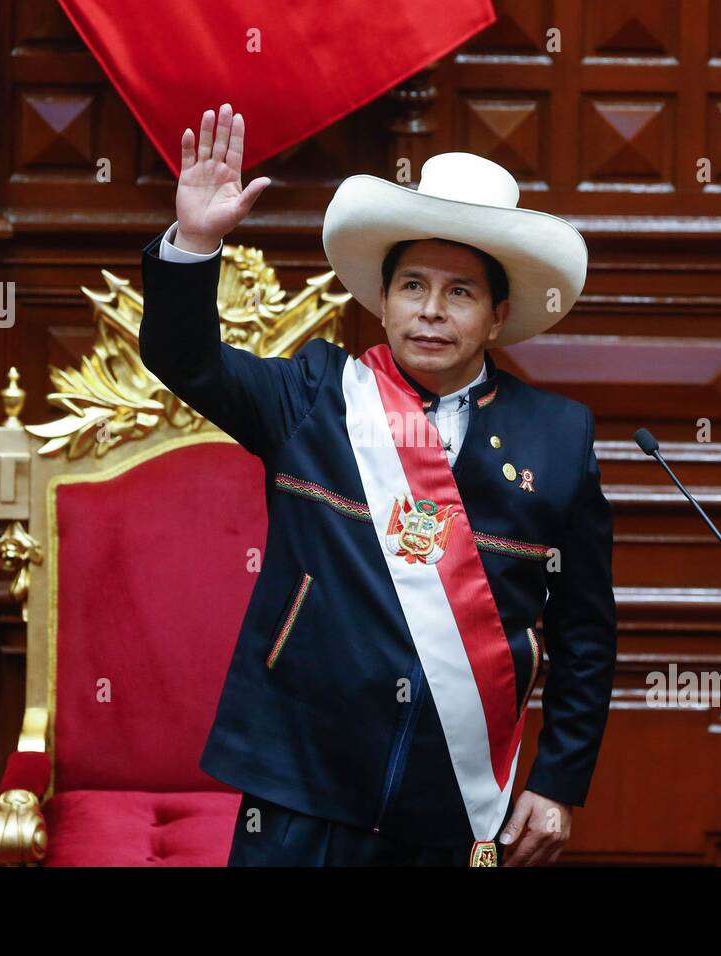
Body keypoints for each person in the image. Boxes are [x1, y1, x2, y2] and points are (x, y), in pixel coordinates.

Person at [138, 103, 616, 866]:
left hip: (455, 801)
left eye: (460, 292)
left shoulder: (557, 438)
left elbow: (585, 634)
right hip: (296, 782)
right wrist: (197, 240)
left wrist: (558, 781)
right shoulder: (313, 397)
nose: (431, 310)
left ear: (497, 316)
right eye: (413, 286)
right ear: (383, 302)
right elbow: (184, 360)